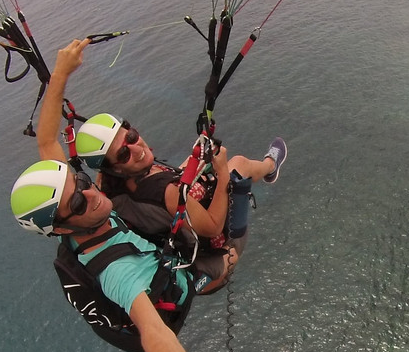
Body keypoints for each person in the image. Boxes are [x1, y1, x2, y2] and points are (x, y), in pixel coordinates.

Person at [10, 37, 230, 352]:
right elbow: (152, 333)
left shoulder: (84, 207)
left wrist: (59, 74)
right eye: (77, 205)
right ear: (59, 228)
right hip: (171, 295)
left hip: (152, 255)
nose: (91, 195)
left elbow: (46, 140)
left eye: (82, 183)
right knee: (226, 255)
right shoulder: (115, 267)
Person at [72, 105, 287, 292]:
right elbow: (212, 227)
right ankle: (270, 166)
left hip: (181, 237)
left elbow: (167, 191)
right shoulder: (166, 192)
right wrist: (222, 174)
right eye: (123, 155)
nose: (137, 149)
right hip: (222, 243)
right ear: (115, 168)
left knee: (199, 159)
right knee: (239, 164)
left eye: (131, 137)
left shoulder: (108, 191)